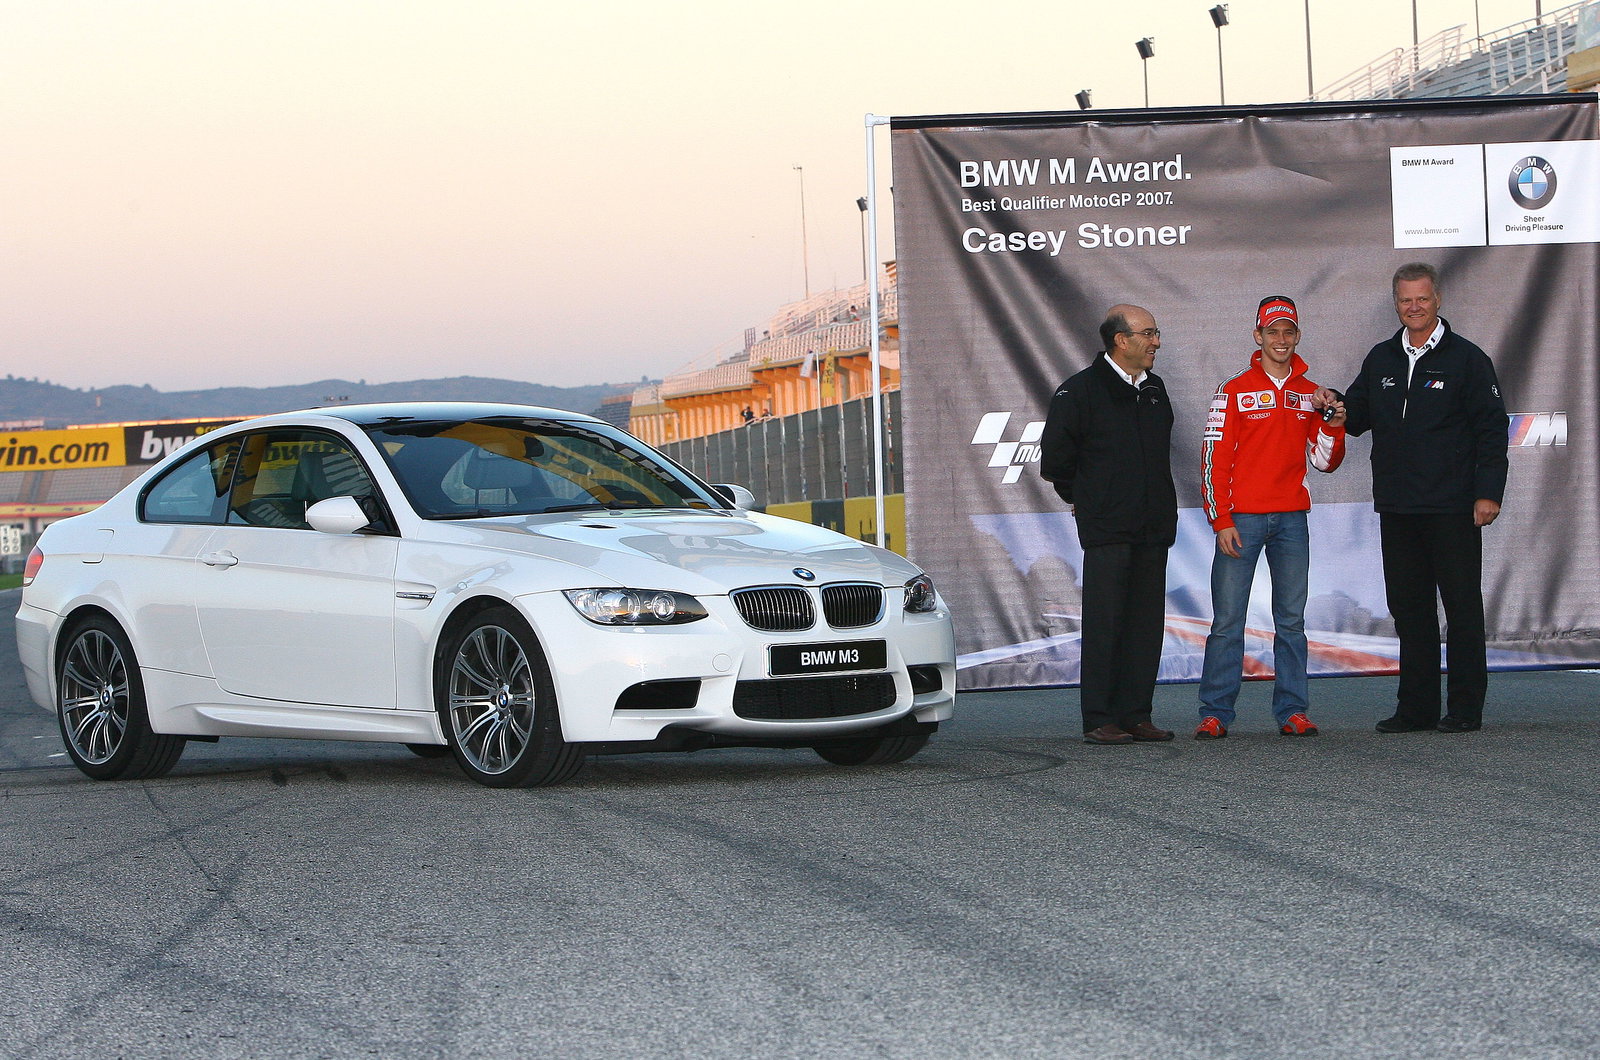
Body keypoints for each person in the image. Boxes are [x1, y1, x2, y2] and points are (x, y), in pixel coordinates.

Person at [1316, 263, 1508, 734]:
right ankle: (1416, 709)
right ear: (1396, 303)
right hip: (1398, 507)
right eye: (1406, 300)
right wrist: (1337, 405)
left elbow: (1491, 429)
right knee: (1410, 609)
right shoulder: (1381, 357)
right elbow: (1356, 413)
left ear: (1437, 299)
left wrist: (1488, 494)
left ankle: (1464, 709)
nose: (1414, 307)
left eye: (1422, 299)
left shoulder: (1467, 359)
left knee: (1461, 608)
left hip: (1453, 506)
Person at [1196, 296, 1346, 741]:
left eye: (1288, 331)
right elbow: (1213, 459)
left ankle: (1293, 711)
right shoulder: (1234, 389)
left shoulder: (1312, 392)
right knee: (1227, 621)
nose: (1280, 339)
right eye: (1272, 331)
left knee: (1291, 621)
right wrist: (1220, 519)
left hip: (1291, 520)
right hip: (1241, 520)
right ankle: (1215, 712)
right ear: (1257, 336)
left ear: (1297, 336)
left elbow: (1324, 461)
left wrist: (1334, 422)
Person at [1040, 304, 1178, 745]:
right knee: (1107, 622)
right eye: (1149, 333)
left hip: (1153, 526)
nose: (1157, 341)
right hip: (1107, 529)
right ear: (1122, 340)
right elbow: (1057, 462)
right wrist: (1085, 500)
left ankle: (1136, 714)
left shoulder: (1155, 389)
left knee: (1145, 623)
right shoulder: (1079, 391)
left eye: (1156, 333)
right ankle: (1099, 717)